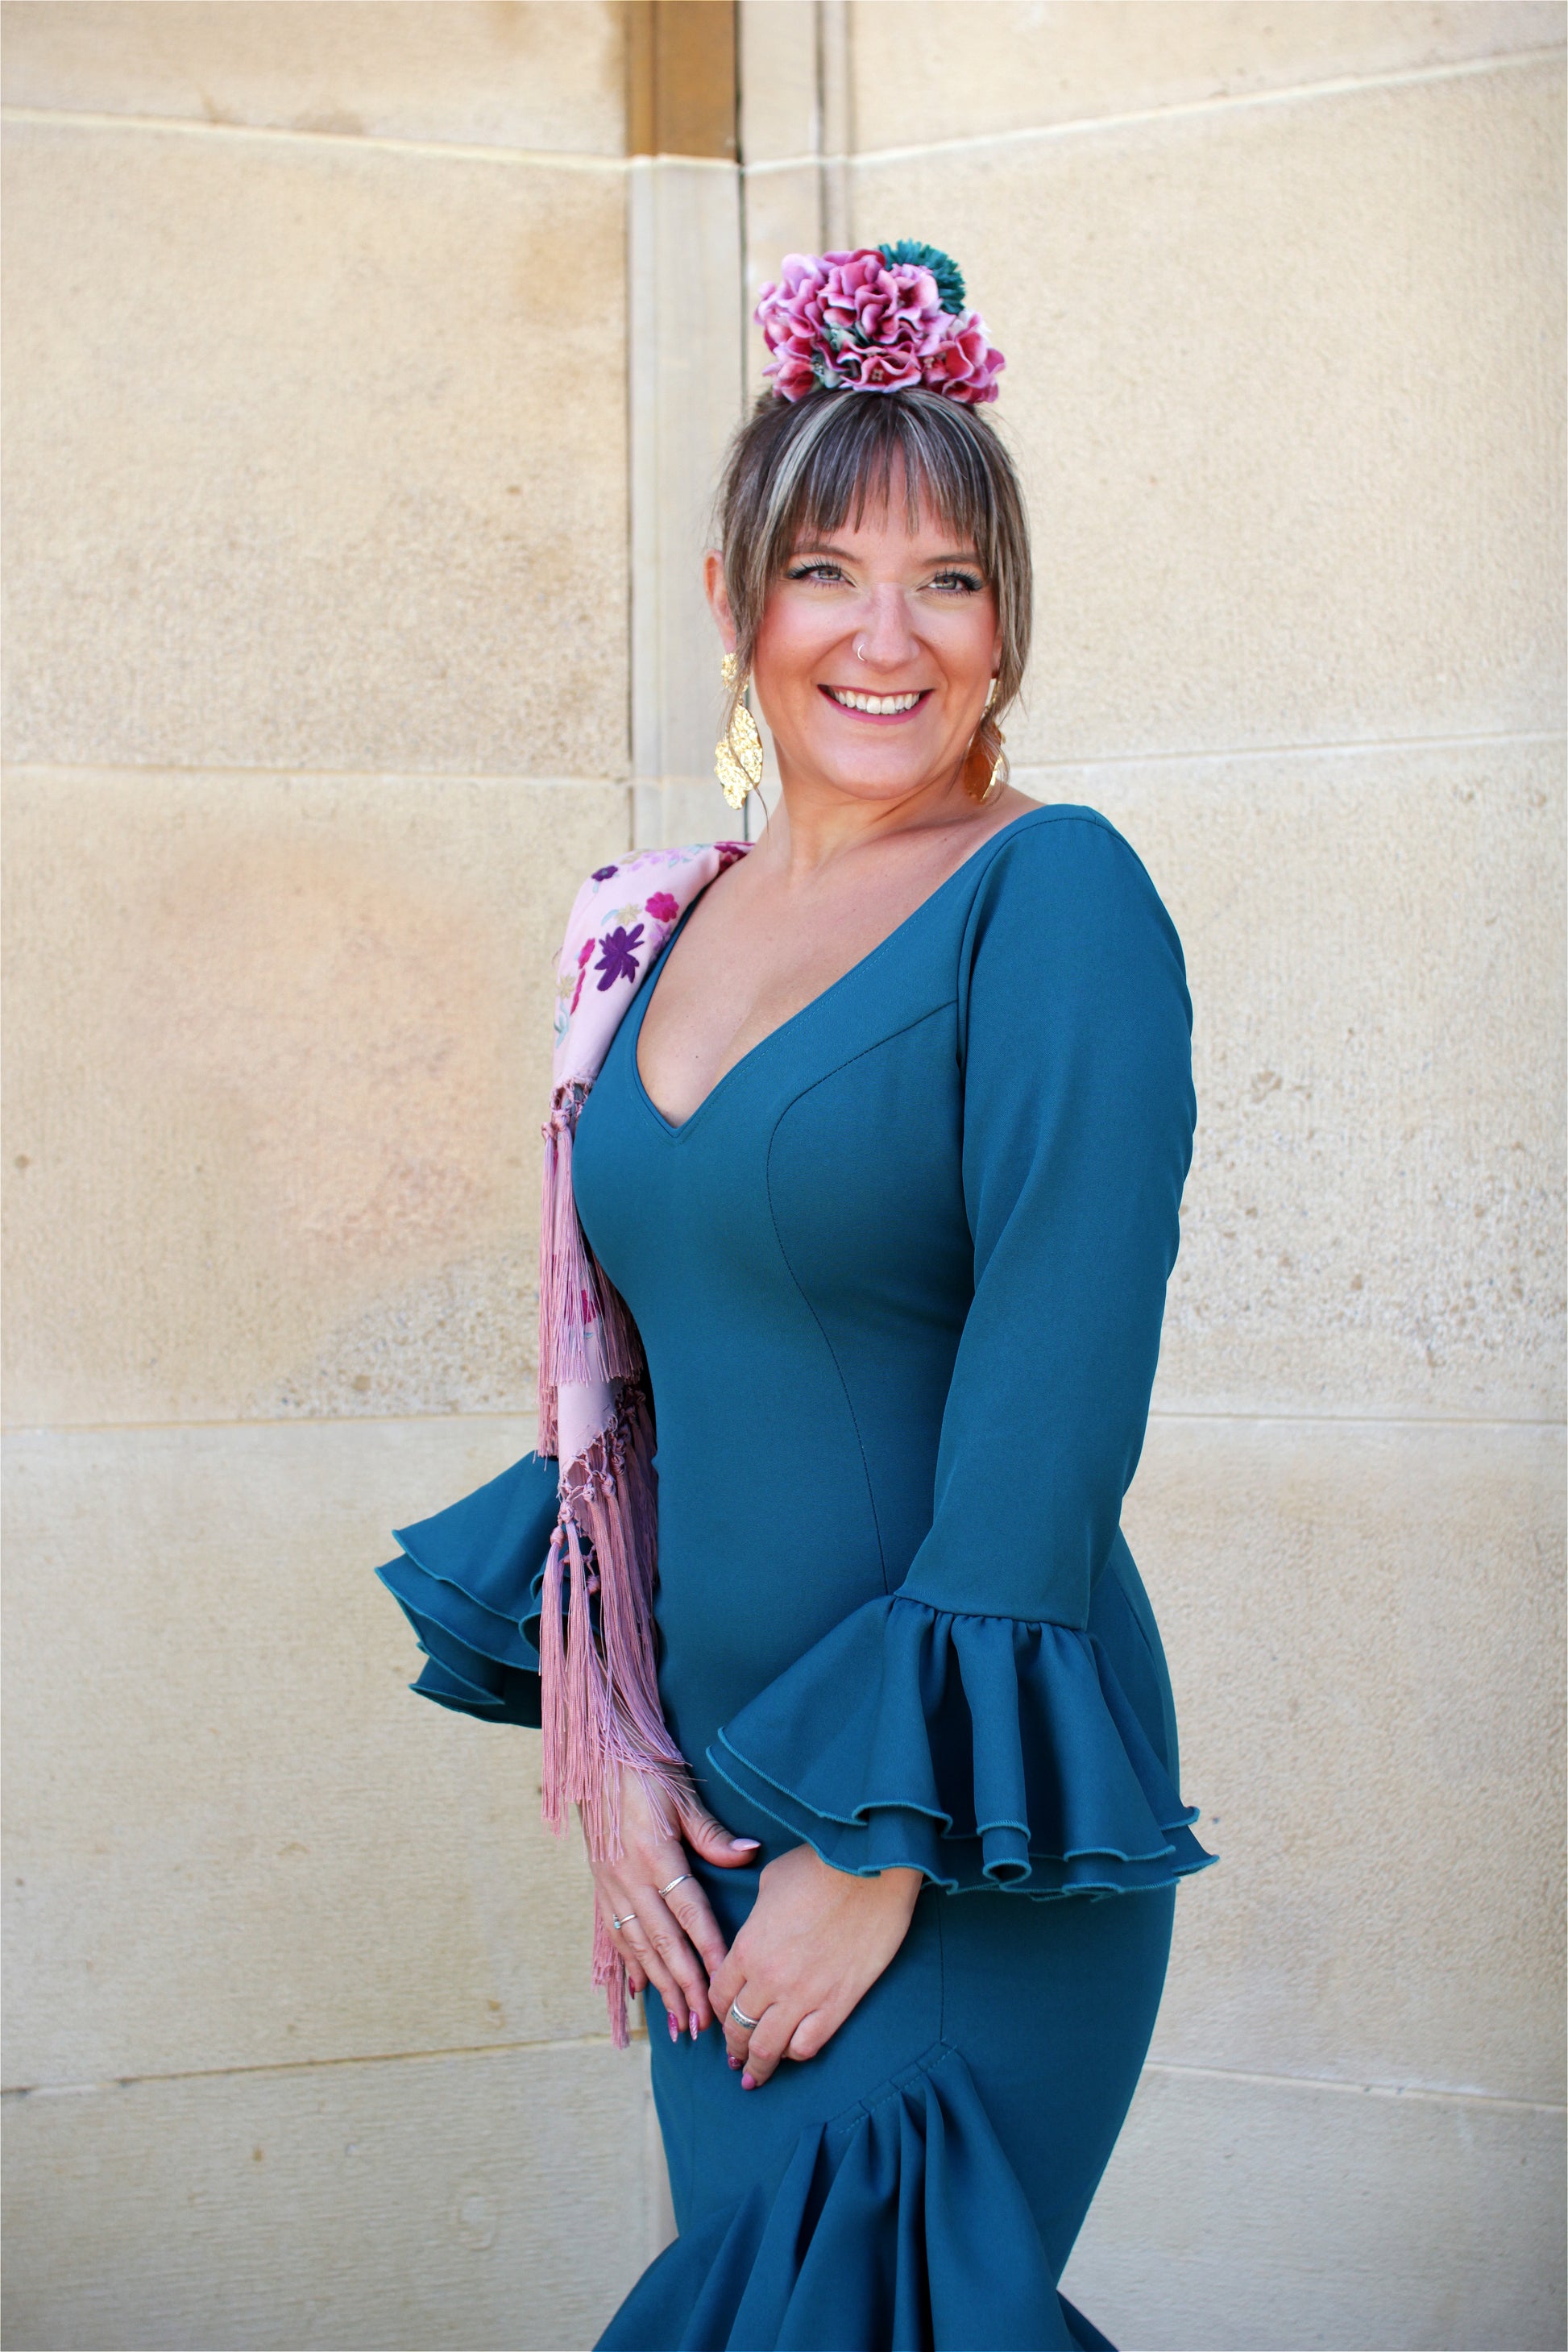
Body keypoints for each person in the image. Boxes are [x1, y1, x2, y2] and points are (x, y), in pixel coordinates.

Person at [377, 244, 1213, 2352]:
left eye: (947, 577)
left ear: (1006, 623)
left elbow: (1057, 1357)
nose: (885, 631)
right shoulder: (659, 926)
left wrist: (881, 1845)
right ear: (735, 601)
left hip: (955, 1826)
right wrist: (630, 1752)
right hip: (716, 1807)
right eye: (828, 568)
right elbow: (641, 1401)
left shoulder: (1058, 892)